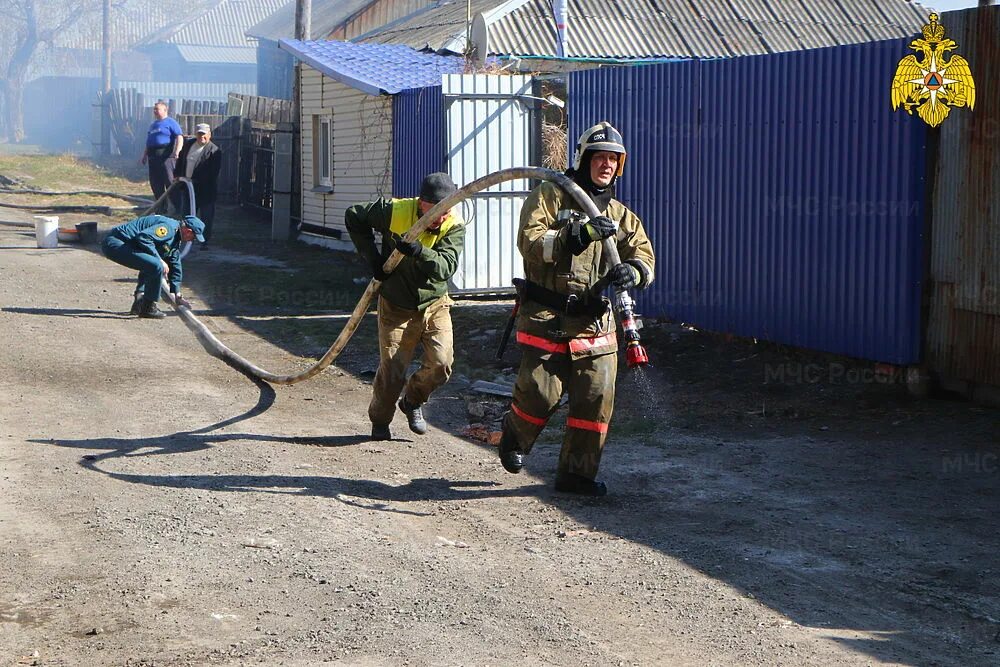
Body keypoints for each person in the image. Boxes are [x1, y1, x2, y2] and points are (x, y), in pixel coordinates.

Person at [498, 122, 656, 496]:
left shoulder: (620, 215)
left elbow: (644, 254)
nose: (606, 165)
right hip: (547, 317)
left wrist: (632, 272)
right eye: (599, 157)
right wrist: (577, 235)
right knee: (540, 393)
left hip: (595, 323)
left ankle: (576, 475)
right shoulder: (551, 196)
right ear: (584, 159)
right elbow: (531, 242)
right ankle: (514, 439)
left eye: (613, 160)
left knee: (594, 400)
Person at [345, 173, 465, 441]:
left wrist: (420, 252)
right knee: (393, 372)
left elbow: (445, 267)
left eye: (446, 210)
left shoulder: (454, 225)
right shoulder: (395, 211)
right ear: (421, 203)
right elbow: (354, 215)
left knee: (441, 364)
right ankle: (380, 421)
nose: (440, 217)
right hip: (396, 306)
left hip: (434, 304)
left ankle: (412, 401)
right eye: (433, 210)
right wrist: (372, 257)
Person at [101, 214, 206, 319]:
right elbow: (143, 237)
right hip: (116, 243)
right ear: (188, 231)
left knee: (150, 263)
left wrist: (177, 295)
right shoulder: (169, 228)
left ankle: (140, 302)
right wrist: (159, 260)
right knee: (156, 265)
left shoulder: (175, 238)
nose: (192, 241)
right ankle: (148, 308)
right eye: (194, 237)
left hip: (124, 244)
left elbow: (175, 263)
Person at [174, 123, 222, 247]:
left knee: (206, 217)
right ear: (196, 134)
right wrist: (177, 175)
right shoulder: (189, 144)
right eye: (199, 134)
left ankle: (204, 241)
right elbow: (180, 161)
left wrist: (195, 180)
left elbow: (213, 173)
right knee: (187, 215)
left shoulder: (214, 151)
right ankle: (186, 240)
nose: (202, 137)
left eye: (204, 134)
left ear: (209, 135)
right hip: (187, 188)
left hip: (205, 190)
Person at [140, 101, 183, 200]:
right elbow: (149, 142)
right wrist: (144, 155)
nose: (155, 111)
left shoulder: (170, 122)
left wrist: (177, 151)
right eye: (154, 109)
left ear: (165, 110)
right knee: (155, 183)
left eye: (157, 109)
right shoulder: (153, 125)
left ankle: (176, 206)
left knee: (169, 181)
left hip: (166, 157)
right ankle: (161, 208)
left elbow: (179, 137)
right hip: (153, 158)